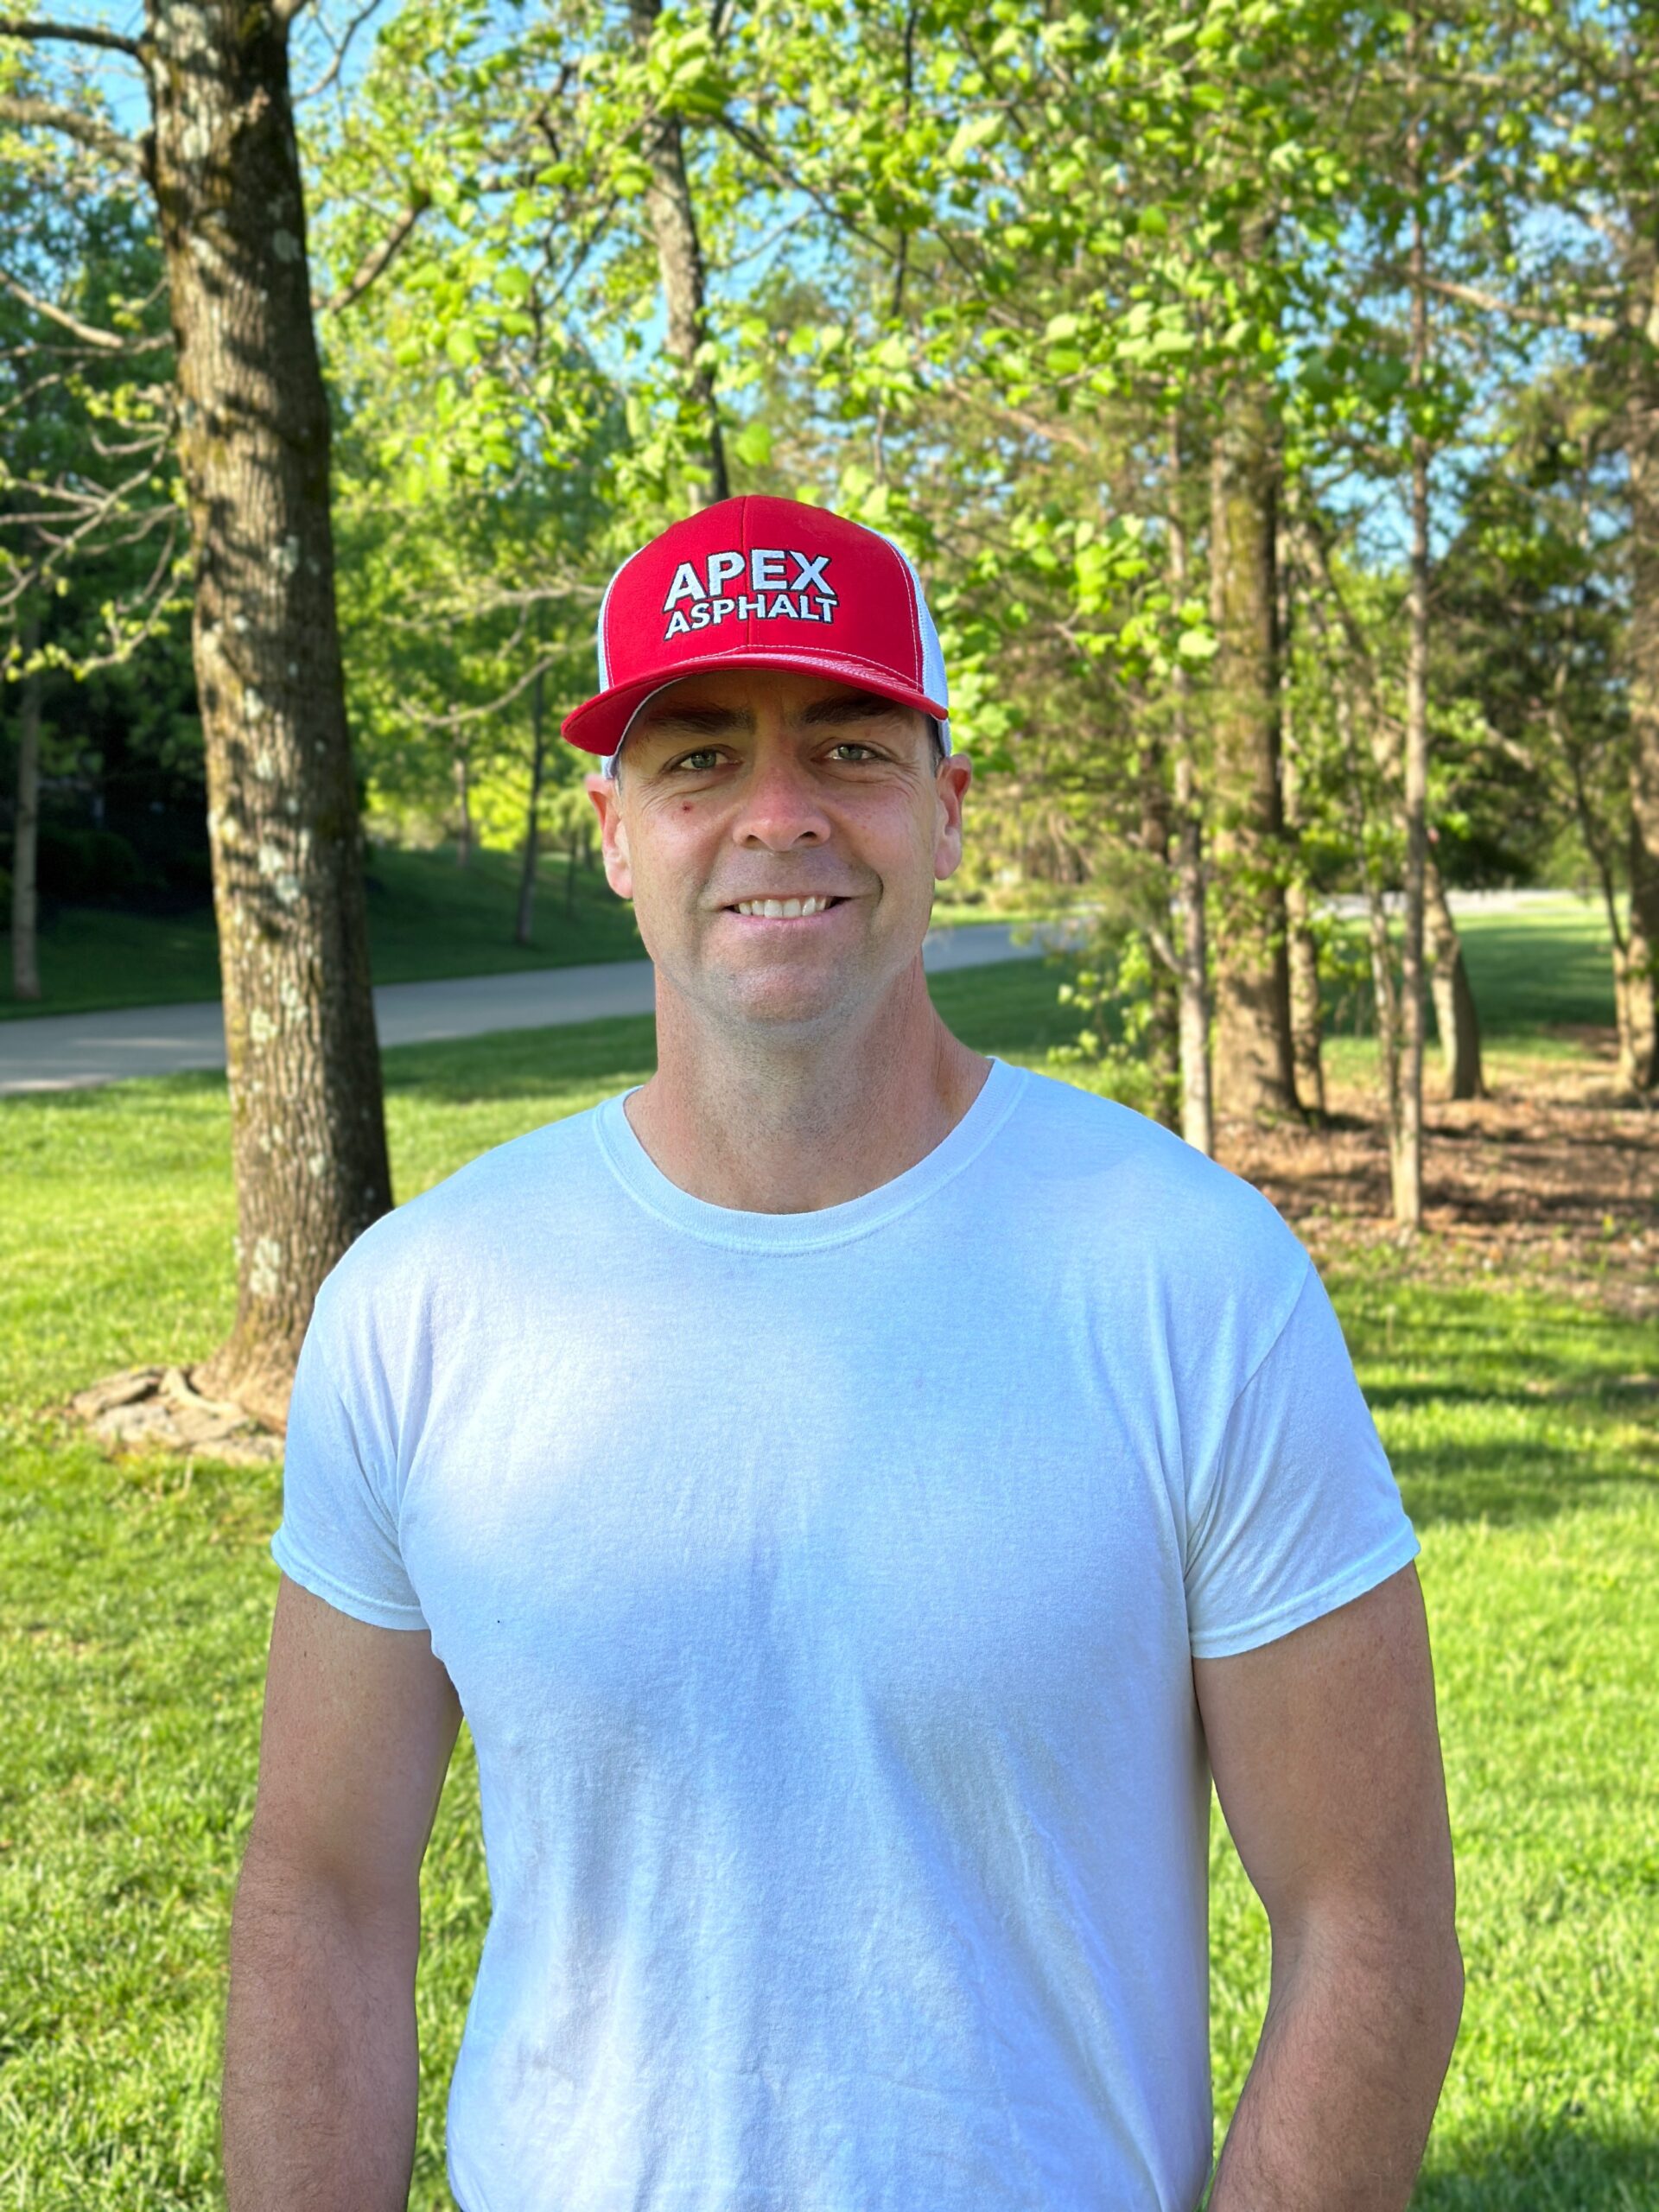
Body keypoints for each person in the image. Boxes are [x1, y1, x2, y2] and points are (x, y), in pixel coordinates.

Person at [222, 494, 1463, 2212]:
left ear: (948, 811)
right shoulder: (427, 1303)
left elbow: (1369, 1912)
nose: (777, 816)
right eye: (700, 758)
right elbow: (322, 1889)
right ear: (611, 828)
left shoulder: (1190, 1277)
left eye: (852, 746)